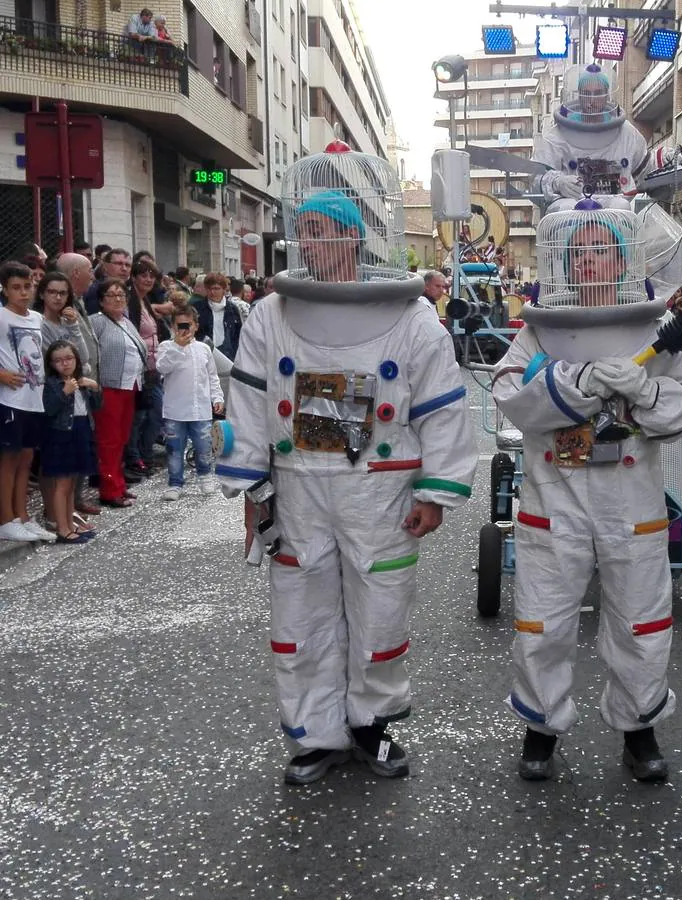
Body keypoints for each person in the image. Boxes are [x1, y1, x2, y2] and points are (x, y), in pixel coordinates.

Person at [216, 144, 476, 786]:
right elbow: (247, 404)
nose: (312, 240)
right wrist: (251, 489)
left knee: (380, 607)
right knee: (300, 614)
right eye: (304, 228)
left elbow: (443, 408)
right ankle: (313, 733)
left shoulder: (411, 318)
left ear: (356, 239)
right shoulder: (270, 315)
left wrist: (435, 492)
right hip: (298, 485)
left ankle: (371, 726)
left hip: (378, 490)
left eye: (325, 230)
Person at [491, 201, 682, 783]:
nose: (589, 260)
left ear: (623, 255)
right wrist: (572, 382)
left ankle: (640, 728)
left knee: (641, 618)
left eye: (601, 248)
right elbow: (509, 395)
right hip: (554, 496)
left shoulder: (655, 331)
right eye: (578, 250)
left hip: (631, 498)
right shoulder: (541, 330)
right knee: (544, 620)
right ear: (561, 259)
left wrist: (645, 392)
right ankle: (540, 728)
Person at [532, 63, 649, 209]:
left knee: (622, 206)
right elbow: (535, 178)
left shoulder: (626, 134)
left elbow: (646, 170)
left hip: (612, 207)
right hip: (570, 207)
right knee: (566, 208)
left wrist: (667, 160)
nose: (592, 101)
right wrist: (557, 182)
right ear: (579, 95)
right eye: (587, 94)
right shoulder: (557, 135)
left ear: (607, 95)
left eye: (598, 93)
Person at [0, 261, 55, 542]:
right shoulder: (1, 317)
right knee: (8, 460)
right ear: (5, 290)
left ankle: (22, 515)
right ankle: (5, 518)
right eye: (16, 288)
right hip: (10, 400)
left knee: (26, 458)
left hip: (34, 398)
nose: (23, 293)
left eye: (28, 286)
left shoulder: (36, 318)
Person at [89, 277, 145, 509]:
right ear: (101, 301)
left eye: (121, 295)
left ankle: (119, 484)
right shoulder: (97, 322)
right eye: (112, 295)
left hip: (129, 386)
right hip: (109, 387)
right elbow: (90, 354)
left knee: (121, 438)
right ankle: (109, 489)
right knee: (108, 441)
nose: (118, 299)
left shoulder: (127, 322)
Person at [156, 306, 222, 501]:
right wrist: (178, 347)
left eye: (188, 325)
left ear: (196, 326)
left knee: (204, 445)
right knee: (175, 449)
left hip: (200, 409)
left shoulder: (203, 349)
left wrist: (217, 397)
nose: (184, 329)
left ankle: (205, 474)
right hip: (175, 410)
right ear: (172, 326)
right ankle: (175, 482)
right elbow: (162, 367)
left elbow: (212, 376)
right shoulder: (166, 347)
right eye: (179, 325)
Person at [40, 340, 101, 543]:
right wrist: (64, 392)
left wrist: (94, 387)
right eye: (58, 361)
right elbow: (49, 409)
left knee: (72, 483)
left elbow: (97, 406)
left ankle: (69, 522)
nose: (65, 364)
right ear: (51, 364)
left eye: (68, 358)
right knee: (62, 484)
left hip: (81, 429)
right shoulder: (52, 384)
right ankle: (62, 528)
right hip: (61, 434)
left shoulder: (80, 381)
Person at [125, 259, 169, 480]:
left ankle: (144, 454)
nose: (148, 279)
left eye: (152, 276)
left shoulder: (146, 301)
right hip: (140, 370)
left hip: (153, 368)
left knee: (154, 414)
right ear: (134, 277)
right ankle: (136, 458)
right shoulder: (131, 302)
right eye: (143, 275)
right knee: (140, 417)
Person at [192, 273, 244, 360]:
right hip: (204, 355)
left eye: (216, 289)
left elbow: (238, 335)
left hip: (228, 356)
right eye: (209, 289)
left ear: (224, 290)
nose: (212, 292)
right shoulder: (197, 308)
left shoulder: (232, 309)